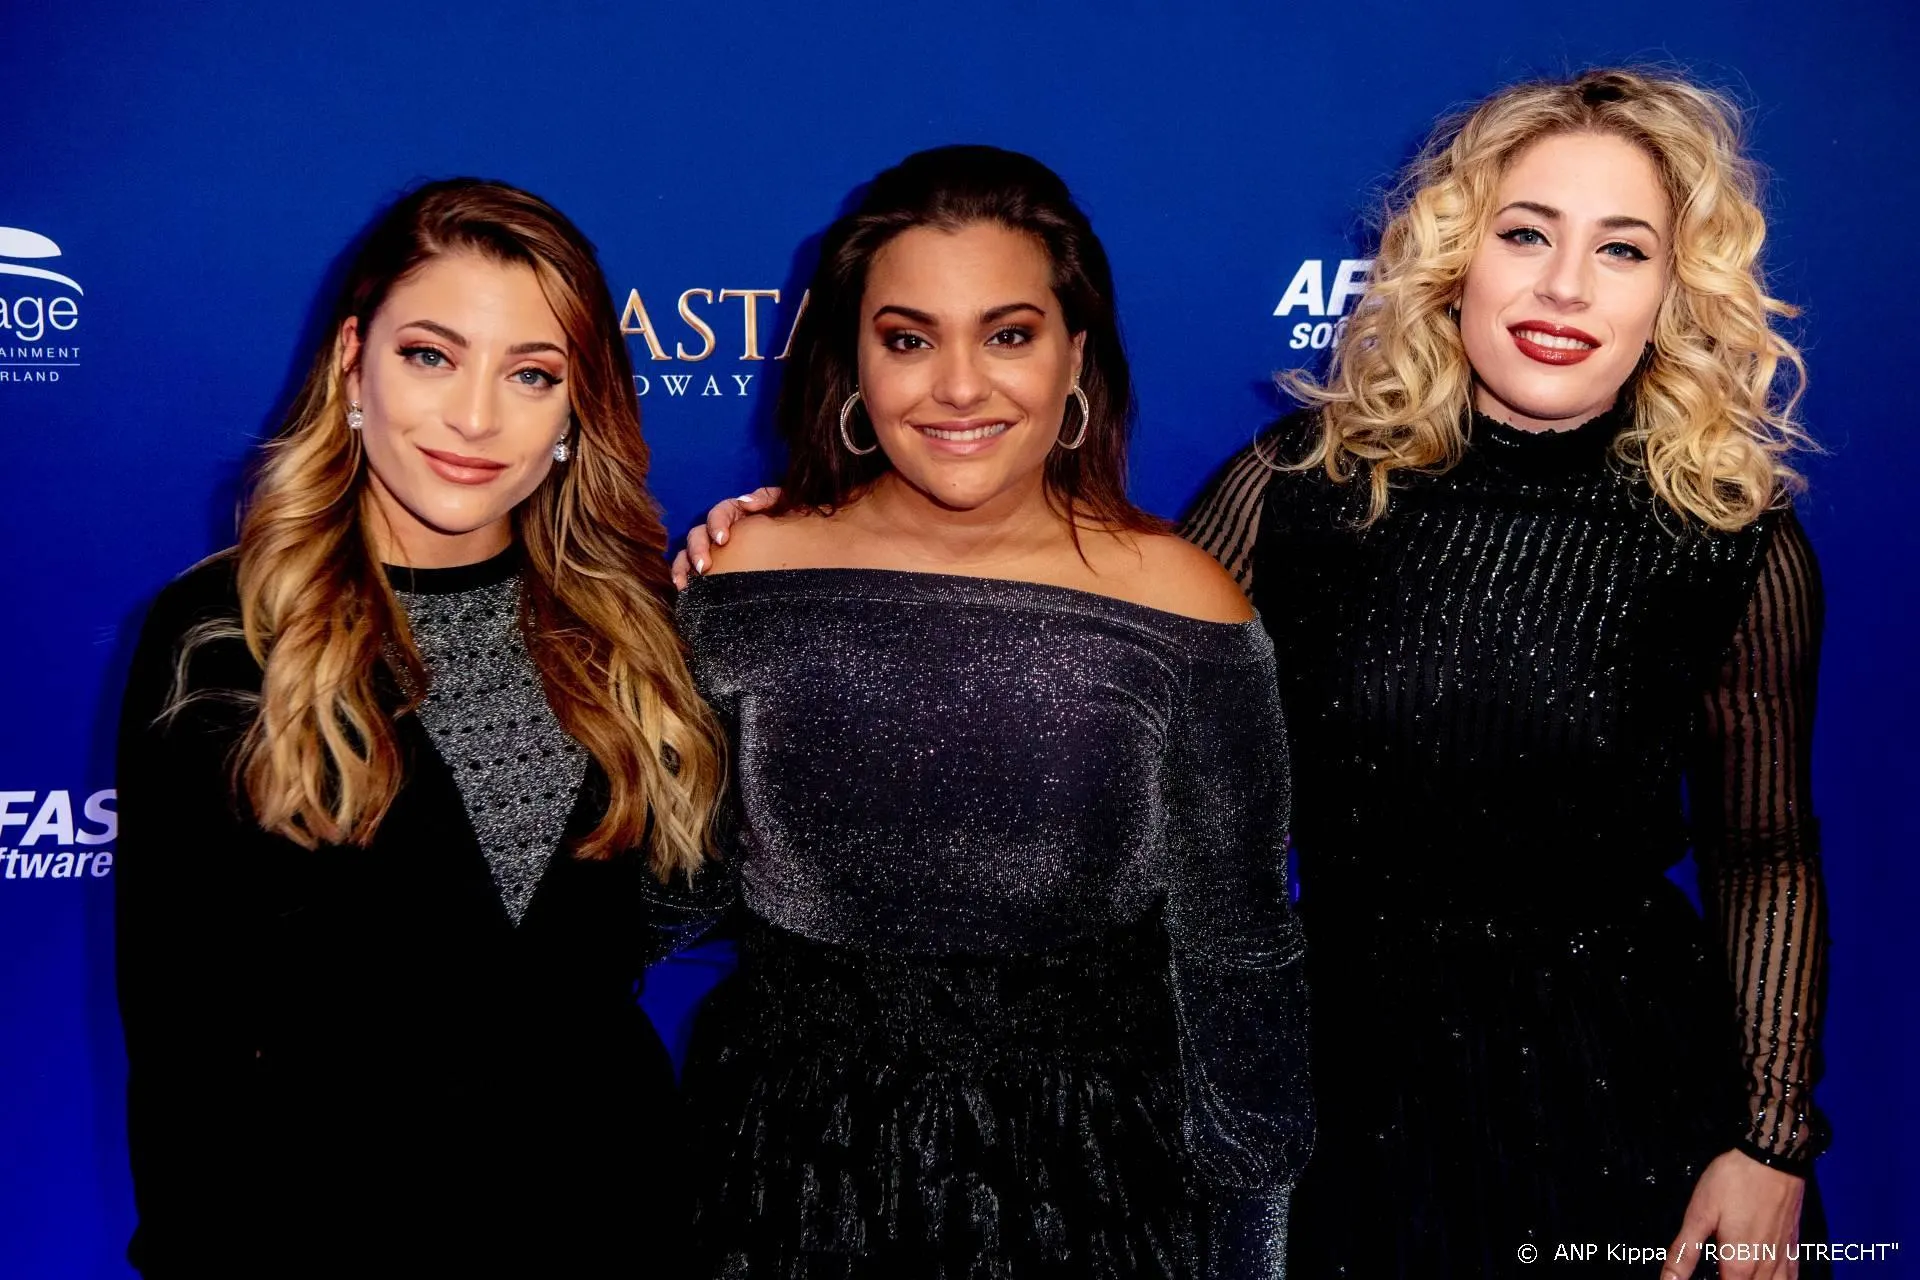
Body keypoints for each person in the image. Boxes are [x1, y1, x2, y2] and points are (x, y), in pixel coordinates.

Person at [678, 72, 1830, 1280]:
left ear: (1675, 287)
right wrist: (809, 563)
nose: (1564, 287)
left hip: (1625, 1086)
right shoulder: (1306, 485)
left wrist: (1770, 1136)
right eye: (1526, 233)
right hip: (1350, 1084)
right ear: (1455, 257)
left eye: (1623, 248)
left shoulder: (1730, 538)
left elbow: (1766, 850)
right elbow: (1081, 646)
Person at [674, 145, 1312, 1279]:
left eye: (1009, 335)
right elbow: (660, 895)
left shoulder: (1185, 606)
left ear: (1077, 355)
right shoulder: (745, 580)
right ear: (853, 360)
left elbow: (1240, 955)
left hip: (1092, 1188)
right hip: (779, 1177)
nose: (959, 388)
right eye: (908, 339)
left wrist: (1252, 1253)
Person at [115, 179, 724, 1278]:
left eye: (531, 373)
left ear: (577, 406)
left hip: (615, 1219)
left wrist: (784, 562)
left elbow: (700, 898)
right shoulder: (227, 632)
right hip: (333, 1236)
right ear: (353, 362)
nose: (476, 418)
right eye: (431, 356)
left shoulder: (634, 625)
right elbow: (182, 1037)